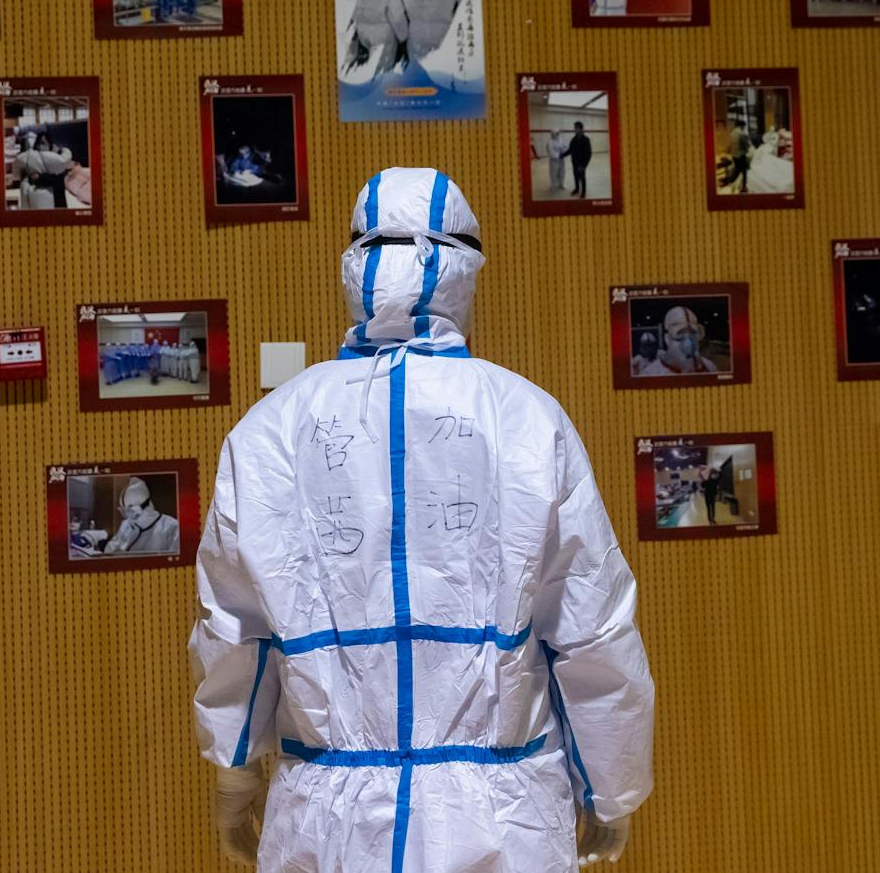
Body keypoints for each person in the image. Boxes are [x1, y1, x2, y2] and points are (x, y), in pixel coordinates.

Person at [191, 168, 653, 872]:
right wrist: (611, 790)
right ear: (466, 274)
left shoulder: (271, 428)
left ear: (354, 270)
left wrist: (234, 770)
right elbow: (592, 628)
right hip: (502, 820)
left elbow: (234, 631)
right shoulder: (527, 418)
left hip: (328, 822)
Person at [346, 0, 410, 79]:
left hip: (362, 32)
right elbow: (397, 18)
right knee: (382, 71)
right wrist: (404, 37)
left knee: (365, 67)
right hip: (383, 35)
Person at [402, 0, 467, 63]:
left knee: (417, 64)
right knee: (441, 63)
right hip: (442, 31)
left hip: (417, 31)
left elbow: (407, 6)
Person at [632, 306, 716, 376]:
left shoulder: (709, 366)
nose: (688, 343)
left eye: (693, 334)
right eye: (680, 335)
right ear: (667, 339)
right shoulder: (650, 373)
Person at [104, 477, 180, 554]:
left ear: (147, 506)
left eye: (131, 511)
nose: (129, 517)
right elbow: (110, 549)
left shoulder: (172, 527)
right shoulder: (126, 525)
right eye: (125, 511)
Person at [569, 121, 594, 198]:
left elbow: (588, 154)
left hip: (581, 163)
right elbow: (570, 150)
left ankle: (583, 192)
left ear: (581, 129)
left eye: (577, 128)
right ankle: (577, 189)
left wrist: (583, 165)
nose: (575, 129)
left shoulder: (586, 139)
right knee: (576, 176)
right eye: (575, 128)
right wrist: (562, 155)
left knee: (582, 177)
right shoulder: (573, 139)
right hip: (574, 162)